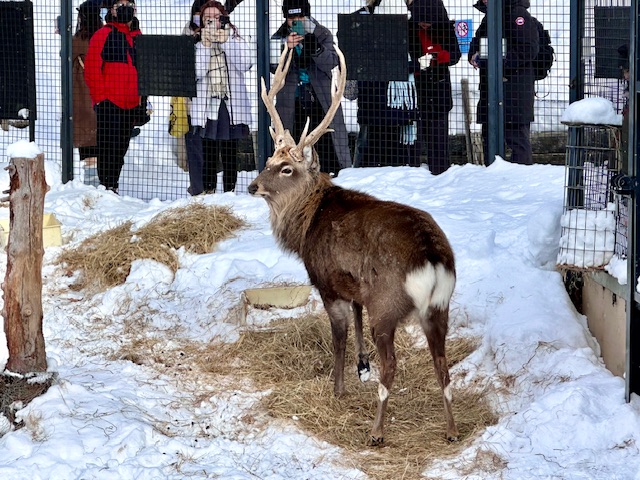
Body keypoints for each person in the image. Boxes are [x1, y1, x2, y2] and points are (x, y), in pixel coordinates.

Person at [271, 0, 351, 175]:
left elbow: (331, 62)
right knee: (294, 145)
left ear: (307, 16)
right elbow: (272, 67)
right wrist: (286, 48)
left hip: (321, 98)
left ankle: (331, 176)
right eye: (292, 18)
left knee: (327, 140)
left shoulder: (322, 33)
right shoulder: (279, 37)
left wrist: (315, 47)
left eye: (300, 17)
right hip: (292, 100)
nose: (296, 21)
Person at [184, 0, 255, 194]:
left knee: (230, 152)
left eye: (216, 17)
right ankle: (209, 193)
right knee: (209, 151)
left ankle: (229, 193)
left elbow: (245, 64)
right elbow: (196, 73)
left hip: (231, 103)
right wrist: (205, 46)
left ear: (224, 18)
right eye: (207, 18)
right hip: (207, 104)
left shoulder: (235, 37)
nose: (212, 22)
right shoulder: (195, 41)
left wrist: (227, 42)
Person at [350, 0, 420, 168]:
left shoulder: (401, 31)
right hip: (379, 105)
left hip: (391, 107)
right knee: (376, 150)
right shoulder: (363, 26)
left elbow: (412, 57)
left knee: (385, 152)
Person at [468, 0, 539, 165]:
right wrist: (475, 55)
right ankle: (492, 176)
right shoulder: (490, 16)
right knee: (490, 138)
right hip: (490, 91)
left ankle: (521, 177)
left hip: (514, 91)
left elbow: (528, 49)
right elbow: (477, 42)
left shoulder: (517, 14)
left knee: (517, 140)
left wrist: (495, 62)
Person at [84, 0, 142, 194]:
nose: (125, 9)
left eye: (129, 5)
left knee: (121, 147)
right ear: (112, 10)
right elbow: (91, 68)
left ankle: (113, 185)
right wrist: (100, 98)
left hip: (131, 102)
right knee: (108, 147)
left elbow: (145, 69)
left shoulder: (138, 37)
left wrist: (142, 100)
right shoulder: (103, 34)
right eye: (120, 6)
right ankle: (106, 186)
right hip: (110, 101)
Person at [407, 0, 461, 175]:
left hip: (439, 89)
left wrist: (440, 56)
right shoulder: (408, 29)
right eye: (421, 22)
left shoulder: (444, 29)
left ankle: (440, 171)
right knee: (413, 138)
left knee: (438, 138)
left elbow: (455, 55)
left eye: (428, 22)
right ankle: (412, 172)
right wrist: (417, 64)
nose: (424, 25)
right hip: (417, 91)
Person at [72, 0, 103, 187]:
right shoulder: (104, 37)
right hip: (102, 96)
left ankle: (91, 186)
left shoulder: (76, 40)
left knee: (88, 149)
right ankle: (102, 185)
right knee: (102, 145)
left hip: (81, 100)